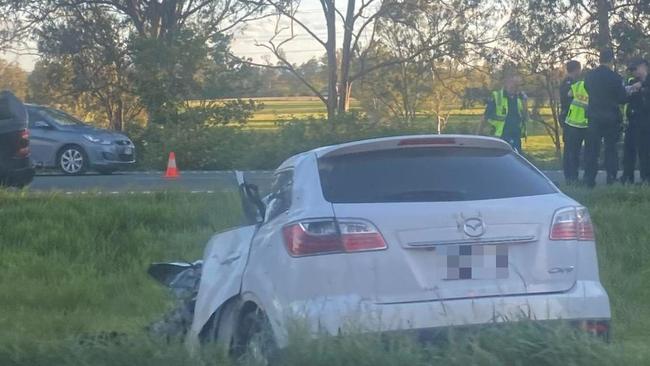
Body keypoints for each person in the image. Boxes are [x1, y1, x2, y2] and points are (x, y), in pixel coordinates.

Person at [583, 48, 628, 187]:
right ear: (611, 60)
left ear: (600, 59)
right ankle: (611, 177)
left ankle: (589, 179)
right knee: (611, 149)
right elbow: (622, 98)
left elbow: (587, 89)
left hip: (594, 116)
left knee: (592, 149)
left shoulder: (590, 76)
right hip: (611, 117)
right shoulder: (615, 77)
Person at [478, 74, 528, 152]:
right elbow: (485, 117)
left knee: (516, 158)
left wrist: (525, 102)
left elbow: (525, 117)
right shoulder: (497, 96)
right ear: (506, 84)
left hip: (515, 135)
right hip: (500, 135)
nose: (515, 87)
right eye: (513, 84)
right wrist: (479, 134)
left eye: (517, 85)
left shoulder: (520, 98)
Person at [622, 58, 650, 183]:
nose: (634, 72)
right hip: (633, 120)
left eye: (635, 69)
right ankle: (628, 176)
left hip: (646, 120)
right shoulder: (632, 81)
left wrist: (642, 87)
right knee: (629, 149)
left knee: (645, 151)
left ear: (644, 66)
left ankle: (646, 177)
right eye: (632, 70)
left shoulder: (646, 81)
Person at [561, 60, 588, 184]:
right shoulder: (570, 84)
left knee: (571, 150)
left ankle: (571, 176)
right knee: (571, 151)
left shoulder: (569, 83)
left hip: (571, 120)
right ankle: (571, 177)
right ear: (577, 69)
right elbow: (569, 99)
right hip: (570, 120)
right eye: (580, 69)